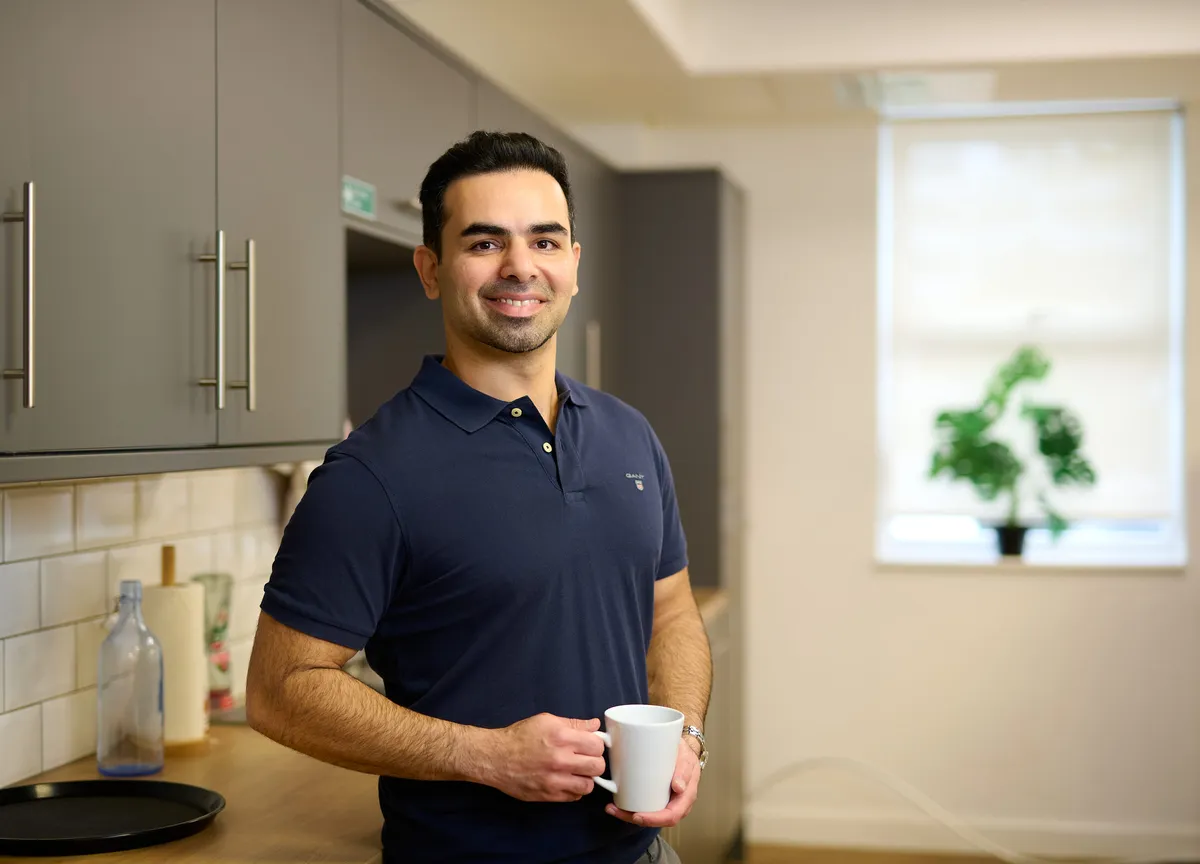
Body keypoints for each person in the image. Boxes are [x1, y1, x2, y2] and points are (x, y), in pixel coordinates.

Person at [245, 130, 712, 864]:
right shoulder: (373, 473)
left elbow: (672, 613)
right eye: (485, 243)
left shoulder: (630, 436)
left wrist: (683, 735)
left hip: (641, 853)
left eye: (545, 241)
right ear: (431, 269)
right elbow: (279, 690)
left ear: (574, 265)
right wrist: (485, 754)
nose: (521, 267)